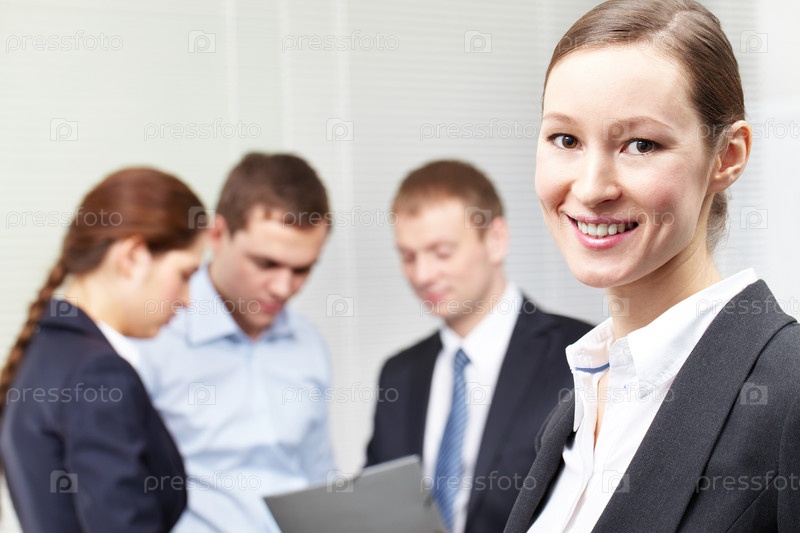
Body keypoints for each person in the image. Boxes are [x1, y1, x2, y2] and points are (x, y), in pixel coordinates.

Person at [504, 1, 800, 531]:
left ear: (728, 156)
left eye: (640, 144)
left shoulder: (789, 393)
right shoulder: (579, 403)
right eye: (566, 140)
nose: (591, 188)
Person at [366, 160, 592, 533]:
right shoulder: (398, 374)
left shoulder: (580, 357)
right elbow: (379, 505)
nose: (422, 275)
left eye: (442, 252)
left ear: (495, 240)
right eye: (408, 256)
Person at [133, 152, 336, 533]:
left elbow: (319, 480)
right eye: (266, 264)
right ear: (216, 236)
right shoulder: (154, 338)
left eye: (301, 269)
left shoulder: (309, 344)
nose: (283, 288)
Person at [0, 168, 207, 532]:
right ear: (133, 256)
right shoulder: (97, 374)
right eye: (185, 275)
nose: (188, 300)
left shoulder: (45, 351)